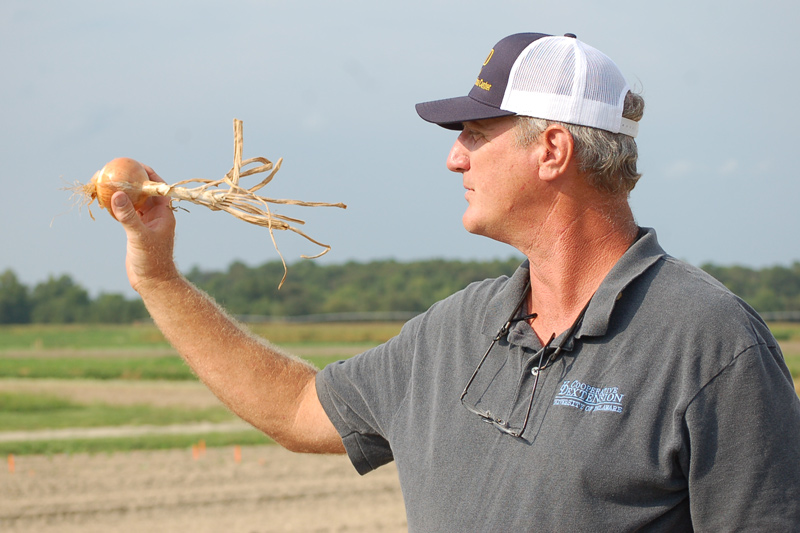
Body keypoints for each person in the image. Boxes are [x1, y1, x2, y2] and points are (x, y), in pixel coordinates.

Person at [110, 32, 800, 531]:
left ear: (552, 150)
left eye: (473, 132)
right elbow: (295, 409)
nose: (453, 157)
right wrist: (158, 275)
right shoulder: (458, 328)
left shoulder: (712, 346)